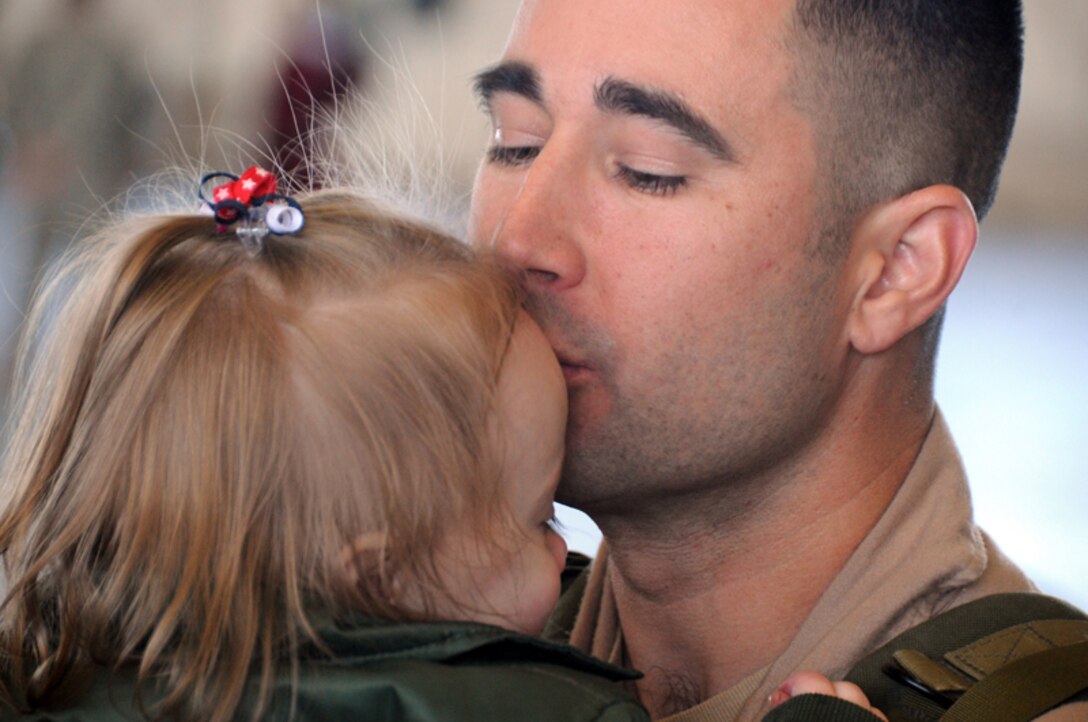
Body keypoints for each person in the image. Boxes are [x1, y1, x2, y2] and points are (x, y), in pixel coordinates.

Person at [0, 167, 885, 722]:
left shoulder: (52, 672)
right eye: (538, 515)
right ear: (380, 578)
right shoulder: (518, 710)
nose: (566, 547)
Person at [467, 1, 1088, 721]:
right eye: (516, 142)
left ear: (896, 271)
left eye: (647, 170)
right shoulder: (437, 663)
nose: (518, 238)